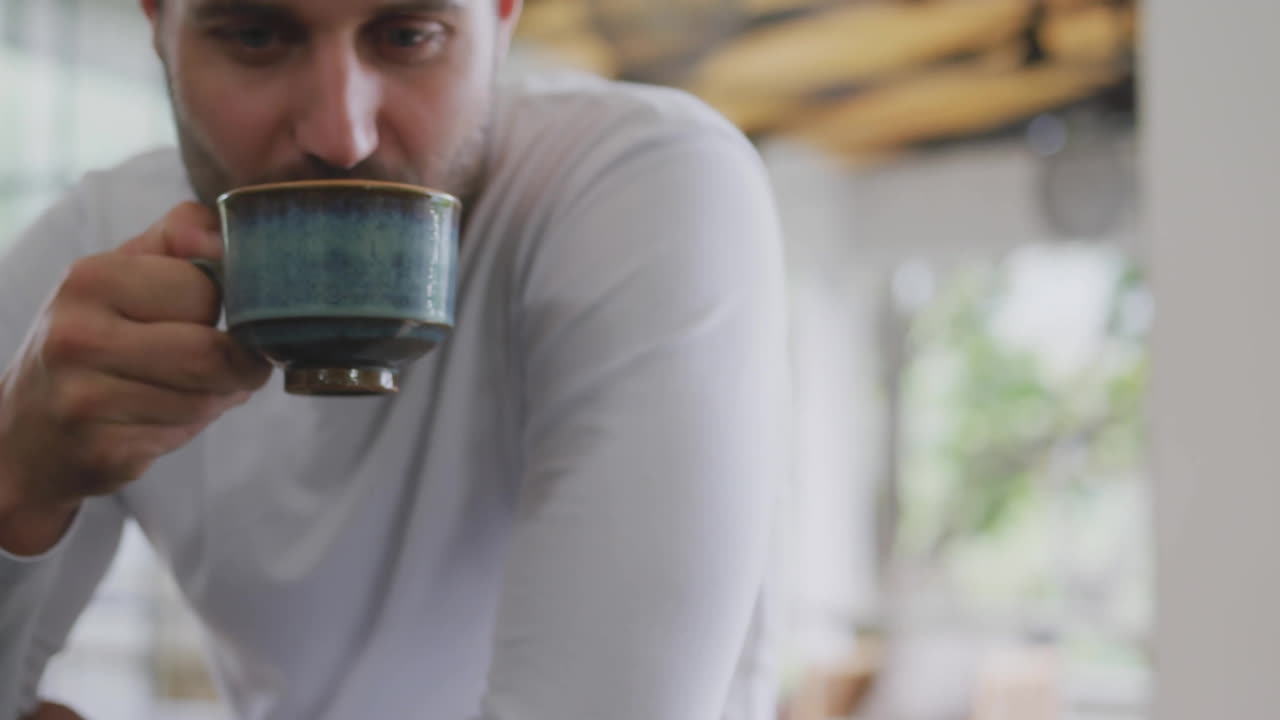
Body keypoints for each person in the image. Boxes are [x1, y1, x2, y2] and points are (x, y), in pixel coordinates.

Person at [0, 0, 788, 718]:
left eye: (409, 35)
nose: (341, 135)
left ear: (504, 15)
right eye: (254, 35)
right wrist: (18, 483)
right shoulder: (92, 252)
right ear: (157, 22)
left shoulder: (637, 181)